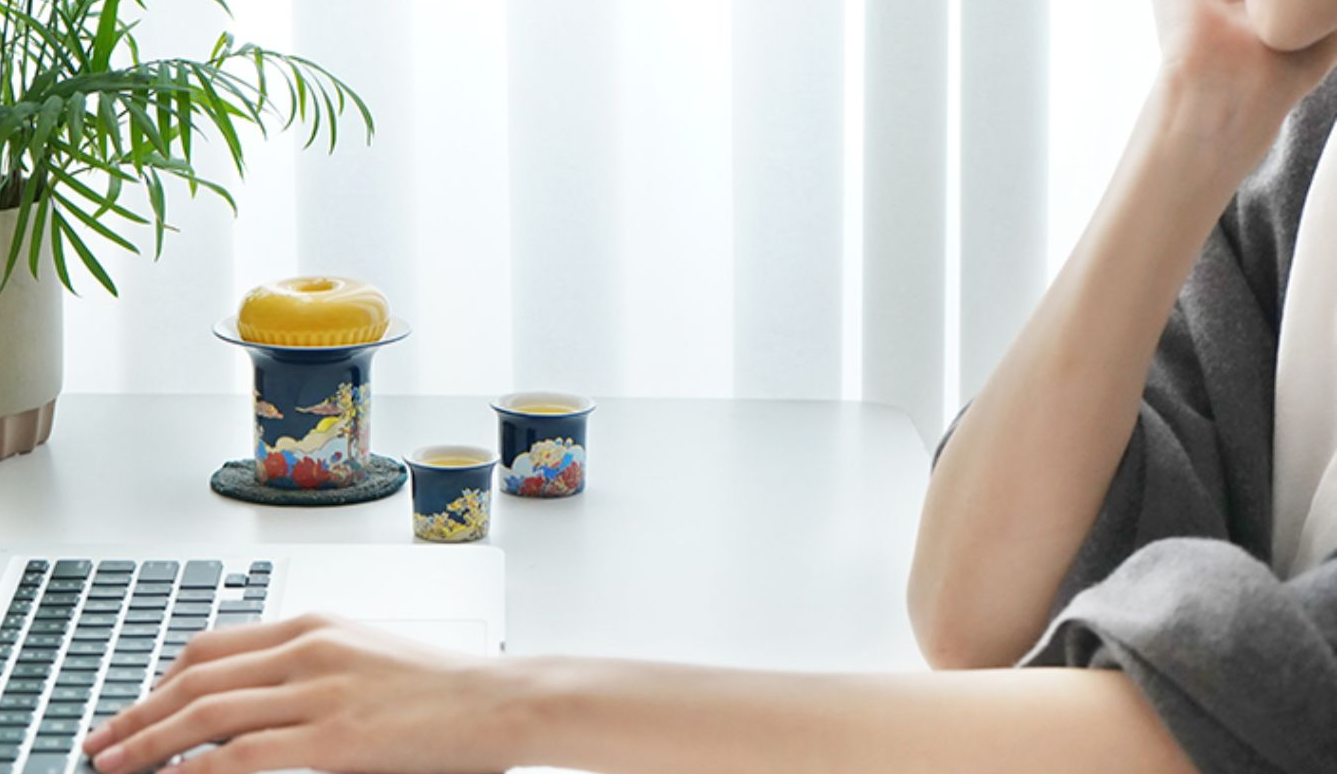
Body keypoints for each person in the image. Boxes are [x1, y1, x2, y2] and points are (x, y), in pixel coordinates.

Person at [81, 2, 1337, 772]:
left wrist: (504, 705)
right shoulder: (1308, 159)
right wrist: (1194, 114)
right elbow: (973, 611)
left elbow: (1215, 737)